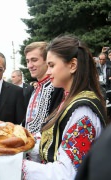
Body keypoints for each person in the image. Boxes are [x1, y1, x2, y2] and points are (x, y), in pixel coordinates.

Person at [22, 35, 107, 179]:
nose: (48, 72)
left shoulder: (82, 111)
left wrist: (19, 167)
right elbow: (52, 145)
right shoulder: (70, 100)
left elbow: (68, 173)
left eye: (52, 65)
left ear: (73, 65)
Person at [24, 41, 63, 161]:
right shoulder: (35, 88)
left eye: (34, 60)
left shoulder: (58, 88)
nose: (29, 65)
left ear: (47, 61)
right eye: (27, 61)